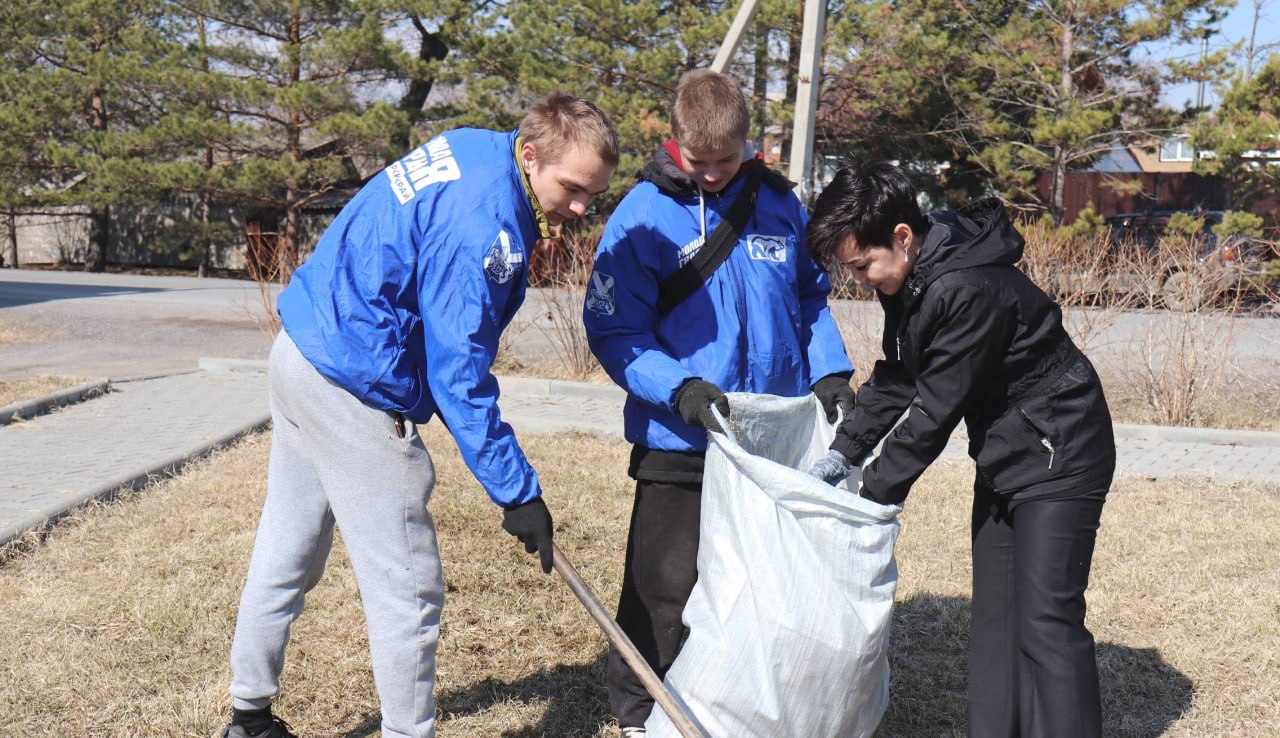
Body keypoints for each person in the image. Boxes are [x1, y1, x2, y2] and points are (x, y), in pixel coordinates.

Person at [220, 93, 619, 738]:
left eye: (592, 196)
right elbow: (457, 375)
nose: (579, 208)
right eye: (571, 188)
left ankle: (249, 714)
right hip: (355, 383)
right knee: (406, 589)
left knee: (286, 546)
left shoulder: (473, 146)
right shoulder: (483, 228)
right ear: (530, 152)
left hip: (301, 348)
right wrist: (517, 491)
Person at [582, 69, 854, 737]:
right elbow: (614, 330)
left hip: (771, 437)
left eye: (726, 162)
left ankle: (753, 708)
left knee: (765, 585)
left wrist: (829, 372)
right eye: (699, 163)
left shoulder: (781, 205)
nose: (711, 176)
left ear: (748, 144)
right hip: (681, 436)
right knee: (664, 587)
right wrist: (677, 388)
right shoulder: (641, 214)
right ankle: (642, 712)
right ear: (674, 141)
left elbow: (810, 298)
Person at [805, 159, 1115, 738]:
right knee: (997, 620)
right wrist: (842, 455)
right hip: (1007, 452)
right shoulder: (915, 276)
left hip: (1061, 448)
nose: (861, 280)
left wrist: (871, 498)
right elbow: (901, 374)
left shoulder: (966, 286)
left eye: (862, 265)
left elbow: (935, 410)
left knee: (1047, 620)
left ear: (902, 237)